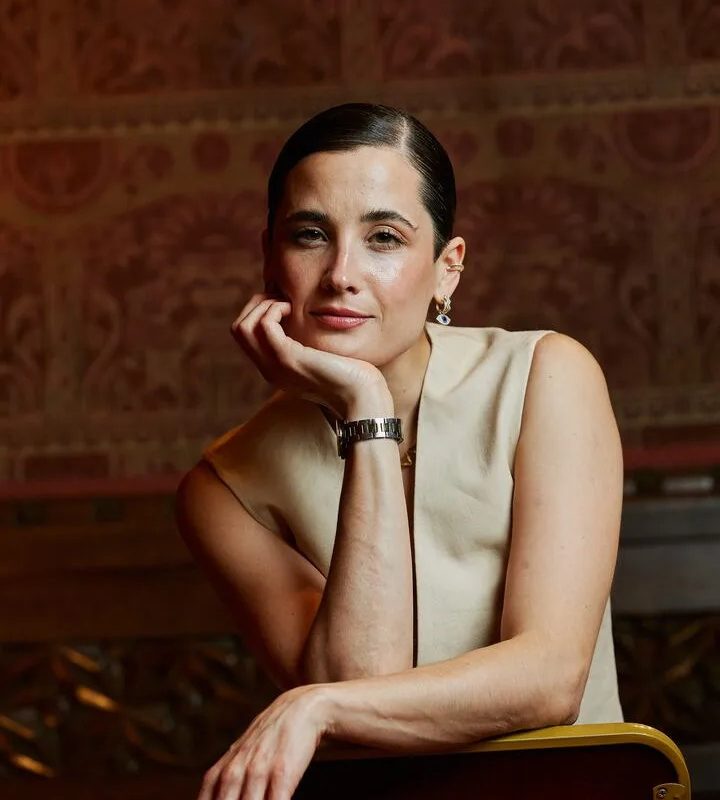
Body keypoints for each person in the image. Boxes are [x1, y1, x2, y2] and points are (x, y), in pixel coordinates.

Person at [175, 102, 624, 800]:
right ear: (269, 258)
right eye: (309, 235)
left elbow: (551, 679)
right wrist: (367, 407)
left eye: (383, 237)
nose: (340, 274)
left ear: (447, 269)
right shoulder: (223, 489)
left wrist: (316, 705)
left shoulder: (547, 376)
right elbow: (365, 686)